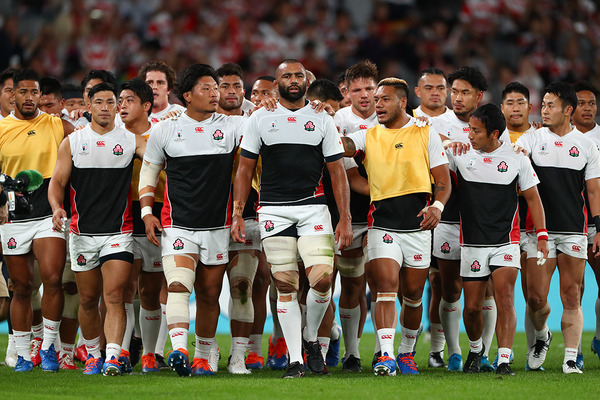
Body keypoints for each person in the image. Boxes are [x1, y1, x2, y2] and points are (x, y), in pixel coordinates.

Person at [232, 59, 353, 378]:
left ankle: (311, 338)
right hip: (273, 210)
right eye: (286, 75)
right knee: (285, 285)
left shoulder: (321, 117)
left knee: (323, 280)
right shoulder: (259, 118)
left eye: (299, 75)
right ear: (277, 82)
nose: (294, 80)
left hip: (314, 208)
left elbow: (337, 171)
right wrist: (237, 212)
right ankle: (297, 359)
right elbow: (244, 170)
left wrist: (345, 218)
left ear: (306, 81)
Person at [139, 64, 244, 377]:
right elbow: (148, 172)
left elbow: (264, 128)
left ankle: (202, 356)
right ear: (186, 95)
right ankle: (180, 350)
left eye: (216, 88)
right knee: (177, 285)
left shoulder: (233, 126)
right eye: (206, 88)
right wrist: (147, 213)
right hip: (177, 225)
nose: (215, 94)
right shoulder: (165, 129)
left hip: (217, 226)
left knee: (210, 294)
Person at [340, 77, 450, 375]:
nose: (378, 105)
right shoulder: (369, 135)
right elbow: (345, 148)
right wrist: (331, 133)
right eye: (376, 100)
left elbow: (442, 180)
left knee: (413, 295)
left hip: (418, 228)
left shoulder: (426, 133)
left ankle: (406, 353)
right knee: (385, 288)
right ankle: (386, 355)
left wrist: (437, 207)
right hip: (383, 226)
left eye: (384, 99)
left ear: (402, 102)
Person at [48, 82, 146, 376]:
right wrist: (56, 208)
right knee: (88, 299)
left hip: (119, 233)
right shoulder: (74, 142)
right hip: (82, 233)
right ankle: (92, 354)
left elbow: (162, 155)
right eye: (99, 102)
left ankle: (113, 357)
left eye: (110, 102)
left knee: (115, 296)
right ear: (88, 107)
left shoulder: (131, 140)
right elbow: (57, 183)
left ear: (118, 106)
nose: (105, 107)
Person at [448, 104, 548, 376]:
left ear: (494, 134)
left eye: (475, 131)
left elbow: (533, 199)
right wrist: (448, 141)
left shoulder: (517, 159)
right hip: (472, 244)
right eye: (469, 129)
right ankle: (476, 349)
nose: (469, 135)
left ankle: (504, 358)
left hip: (506, 241)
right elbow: (430, 150)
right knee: (471, 309)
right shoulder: (459, 155)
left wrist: (541, 235)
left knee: (505, 297)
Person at [516, 82, 600, 374]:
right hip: (539, 232)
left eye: (551, 105)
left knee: (571, 295)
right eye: (544, 104)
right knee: (536, 298)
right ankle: (542, 336)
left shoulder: (588, 146)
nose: (544, 109)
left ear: (568, 110)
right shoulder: (532, 139)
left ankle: (570, 357)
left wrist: (597, 227)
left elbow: (592, 191)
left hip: (574, 231)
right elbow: (514, 158)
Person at [0, 68, 74, 372]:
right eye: (23, 92)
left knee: (53, 280)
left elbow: (97, 136)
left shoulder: (57, 125)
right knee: (21, 286)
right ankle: (20, 353)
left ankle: (47, 348)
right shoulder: (2, 129)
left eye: (35, 93)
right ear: (12, 95)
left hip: (48, 213)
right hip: (14, 216)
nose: (30, 98)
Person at [433, 66, 502, 371]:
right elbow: (419, 135)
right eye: (454, 91)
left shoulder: (492, 125)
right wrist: (446, 141)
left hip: (481, 223)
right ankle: (454, 352)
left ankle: (483, 353)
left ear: (479, 96)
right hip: (447, 218)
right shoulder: (435, 123)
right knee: (450, 289)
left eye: (464, 92)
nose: (457, 98)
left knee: (486, 290)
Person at [332, 60, 378, 373]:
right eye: (357, 89)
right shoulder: (337, 120)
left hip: (385, 216)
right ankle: (351, 353)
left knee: (385, 286)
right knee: (351, 286)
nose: (364, 95)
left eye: (369, 88)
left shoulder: (393, 116)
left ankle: (384, 351)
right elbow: (343, 175)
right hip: (350, 214)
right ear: (346, 93)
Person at [118, 78, 164, 373]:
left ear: (146, 106)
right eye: (120, 100)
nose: (122, 105)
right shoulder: (112, 136)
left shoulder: (162, 136)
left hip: (156, 216)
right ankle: (121, 352)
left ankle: (149, 354)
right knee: (122, 289)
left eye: (129, 100)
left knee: (149, 292)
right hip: (121, 218)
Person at [412, 67, 450, 368]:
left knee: (442, 285)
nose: (435, 92)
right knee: (407, 285)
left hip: (450, 214)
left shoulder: (462, 121)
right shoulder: (404, 117)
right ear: (417, 91)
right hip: (410, 211)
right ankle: (404, 346)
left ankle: (437, 349)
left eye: (441, 87)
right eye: (429, 87)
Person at [500, 81, 540, 370]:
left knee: (532, 293)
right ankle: (507, 349)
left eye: (520, 103)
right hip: (504, 223)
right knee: (501, 290)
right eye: (510, 103)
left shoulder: (542, 136)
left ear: (530, 106)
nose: (516, 108)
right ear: (502, 107)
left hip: (534, 221)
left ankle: (535, 343)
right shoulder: (492, 137)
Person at [571, 81, 600, 367]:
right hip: (572, 223)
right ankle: (575, 350)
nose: (588, 107)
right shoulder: (560, 137)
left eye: (592, 103)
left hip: (597, 222)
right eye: (582, 103)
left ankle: (599, 338)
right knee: (575, 287)